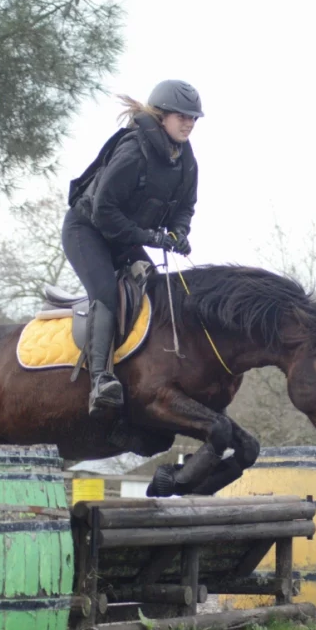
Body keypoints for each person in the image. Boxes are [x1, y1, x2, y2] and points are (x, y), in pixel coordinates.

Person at [63, 79, 202, 416]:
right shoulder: (132, 152)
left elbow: (185, 206)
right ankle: (100, 381)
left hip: (125, 238)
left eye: (193, 118)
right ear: (161, 115)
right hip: (88, 231)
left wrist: (179, 231)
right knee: (107, 293)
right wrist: (152, 238)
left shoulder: (186, 161)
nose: (189, 123)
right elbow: (103, 213)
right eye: (182, 116)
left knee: (155, 291)